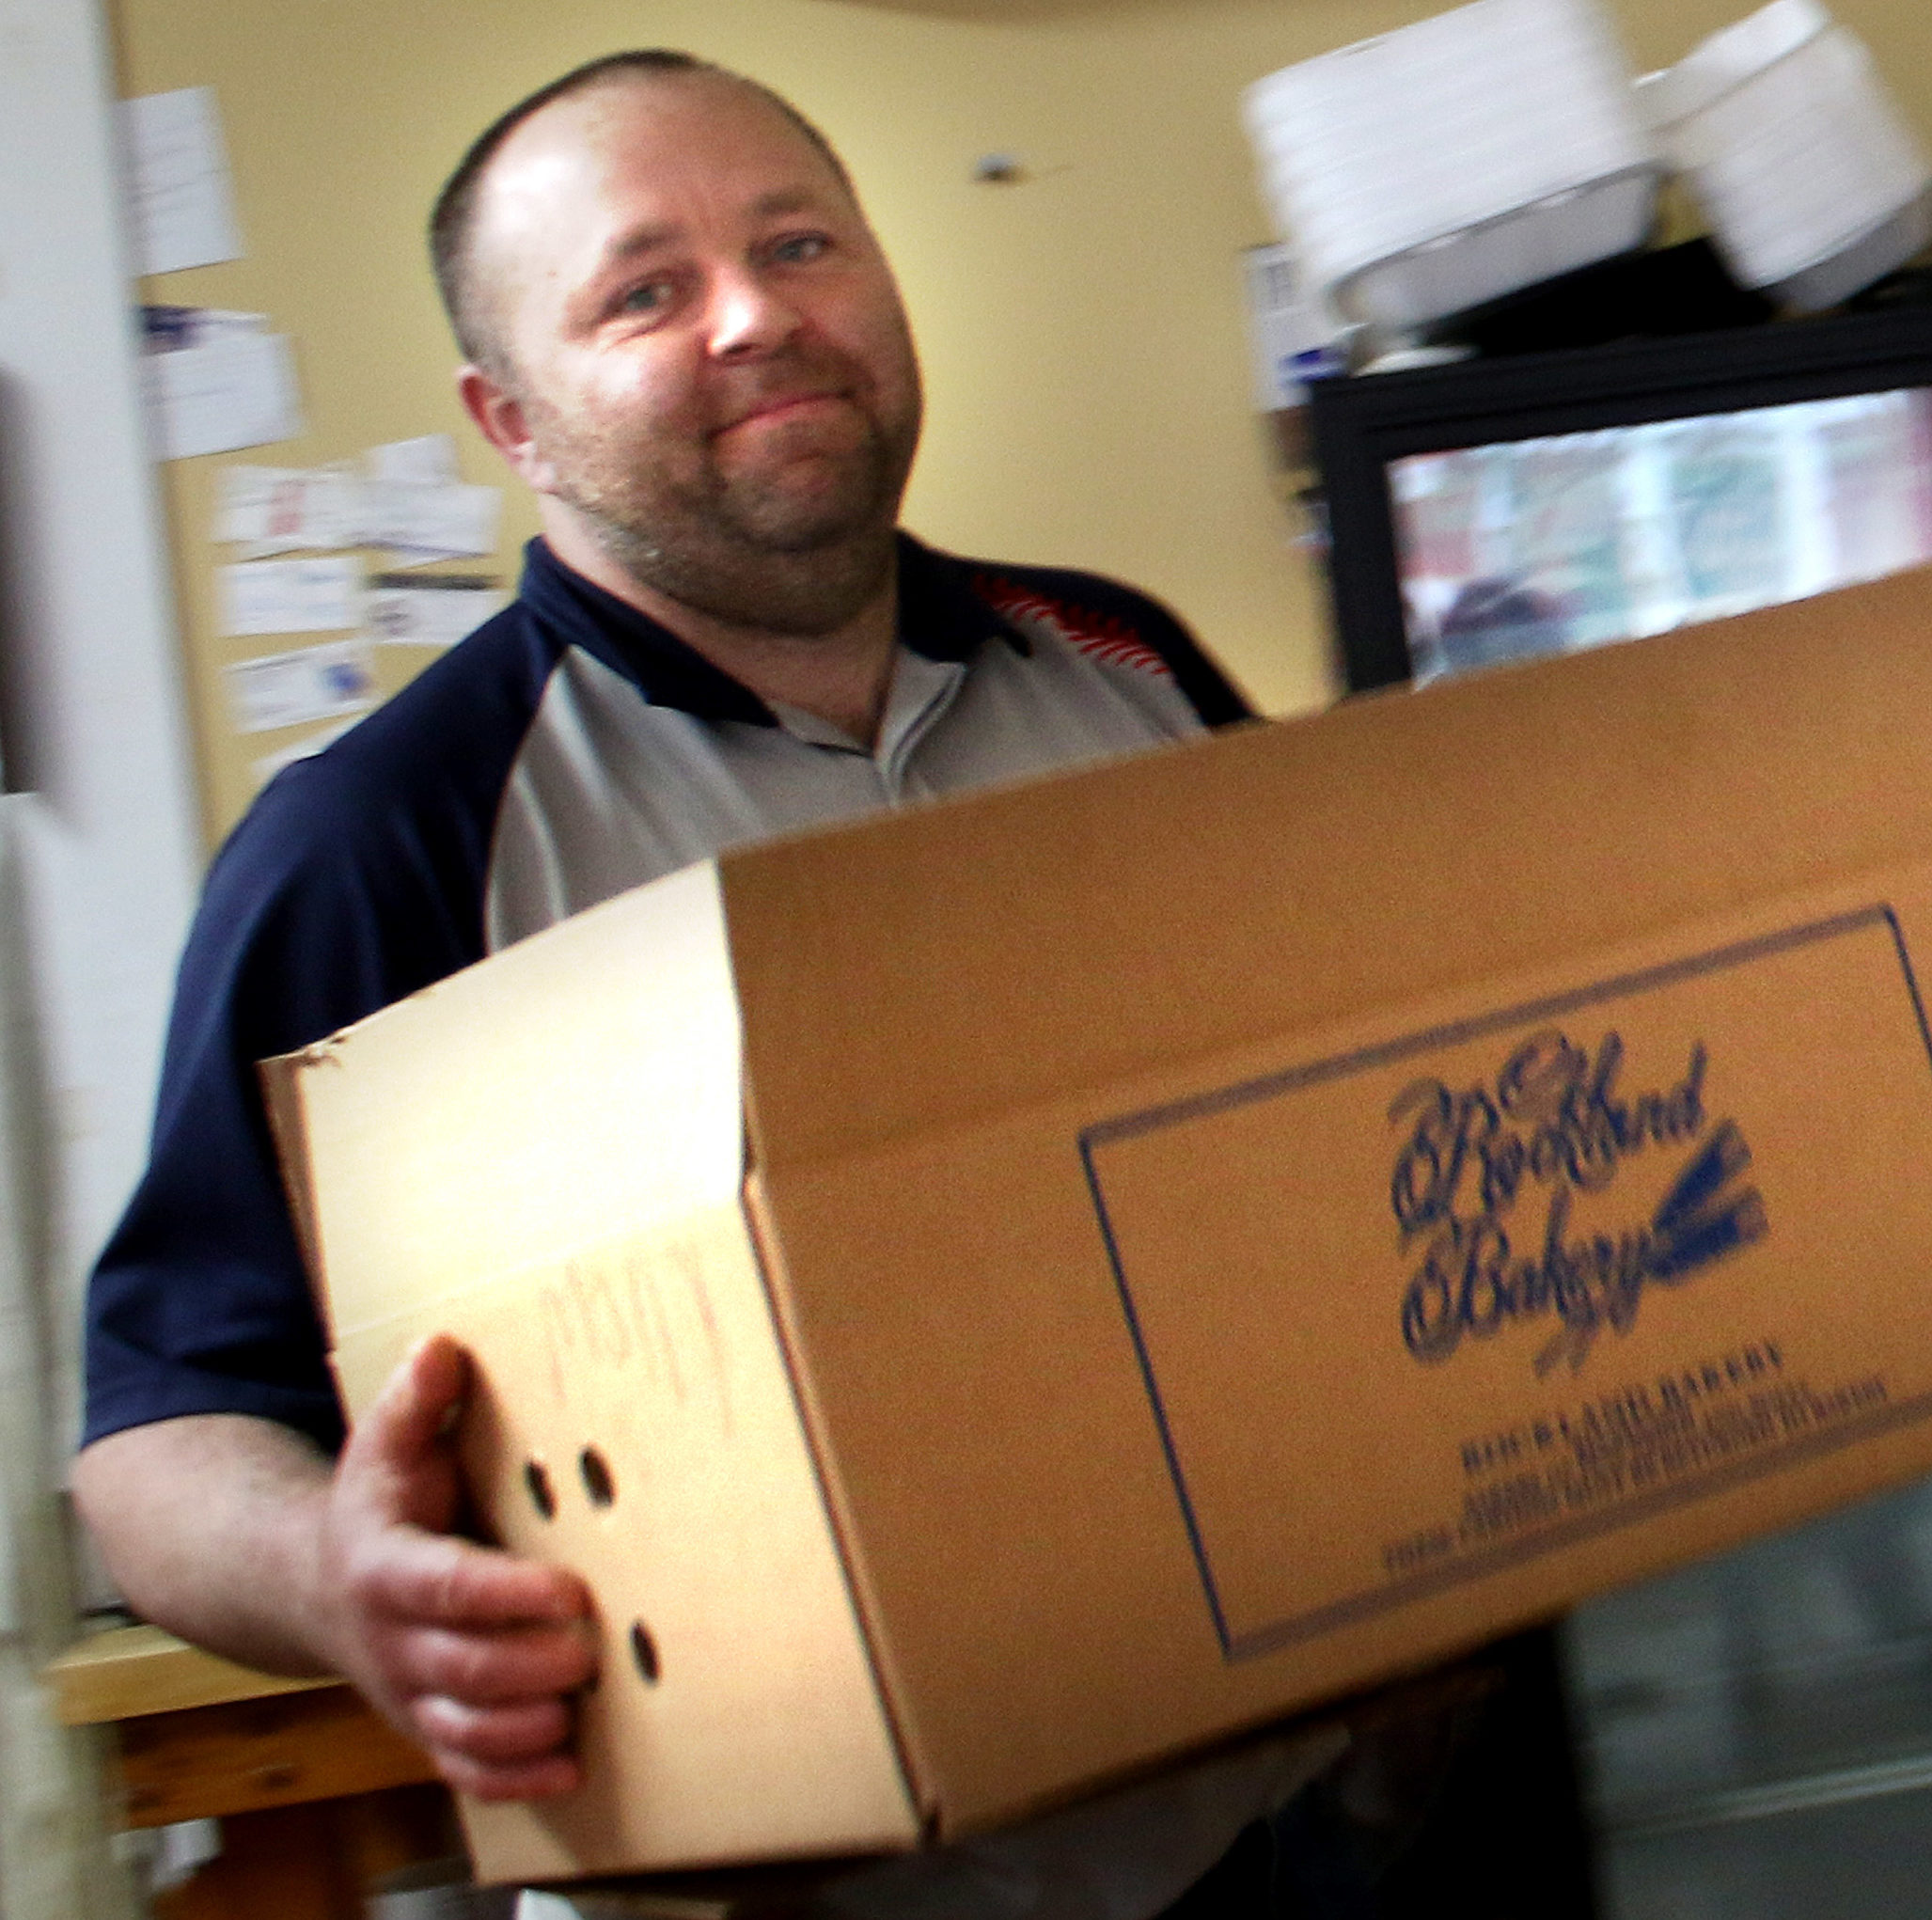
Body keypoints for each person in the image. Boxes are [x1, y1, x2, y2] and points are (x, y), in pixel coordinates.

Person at [68, 50, 1375, 1917]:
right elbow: (159, 1432)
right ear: (511, 420)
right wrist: (330, 1578)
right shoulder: (382, 839)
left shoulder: (1126, 662)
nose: (755, 315)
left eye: (798, 243)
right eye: (644, 291)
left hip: (1264, 1842)